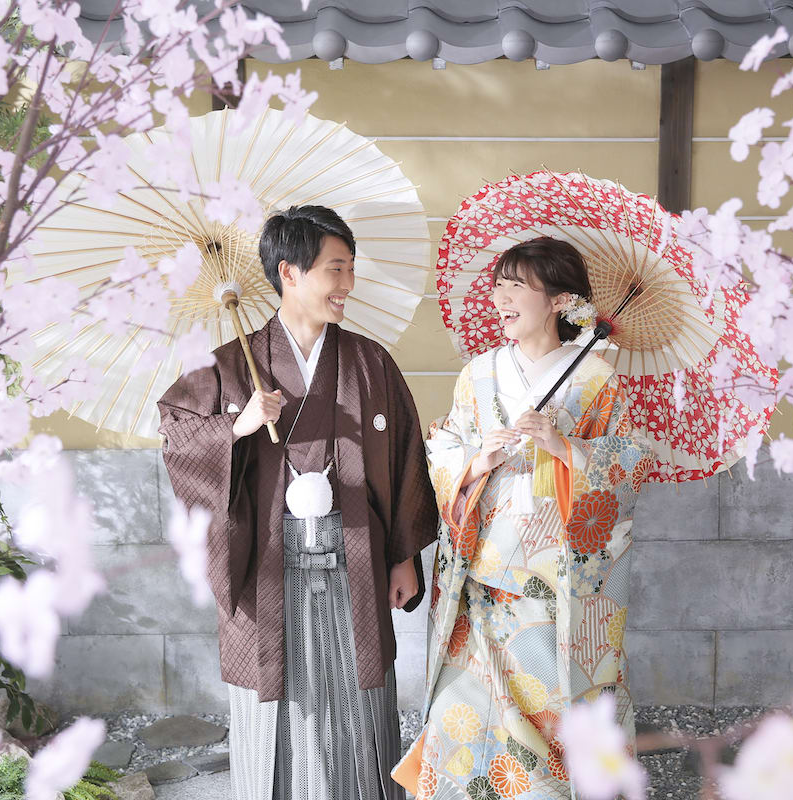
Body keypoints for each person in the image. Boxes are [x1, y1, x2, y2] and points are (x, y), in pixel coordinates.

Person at [157, 205, 438, 800]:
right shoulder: (231, 365)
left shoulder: (369, 362)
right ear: (289, 272)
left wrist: (402, 556)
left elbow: (405, 457)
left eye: (351, 268)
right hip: (268, 566)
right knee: (280, 709)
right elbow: (178, 436)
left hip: (356, 561)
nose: (348, 284)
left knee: (360, 698)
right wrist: (237, 426)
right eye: (336, 269)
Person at [393, 236, 654, 799]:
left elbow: (629, 467)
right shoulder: (478, 374)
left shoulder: (596, 379)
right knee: (465, 711)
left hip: (555, 585)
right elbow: (443, 447)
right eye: (499, 286)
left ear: (559, 301)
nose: (501, 298)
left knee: (553, 711)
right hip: (480, 577)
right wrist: (476, 460)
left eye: (516, 286)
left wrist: (563, 448)